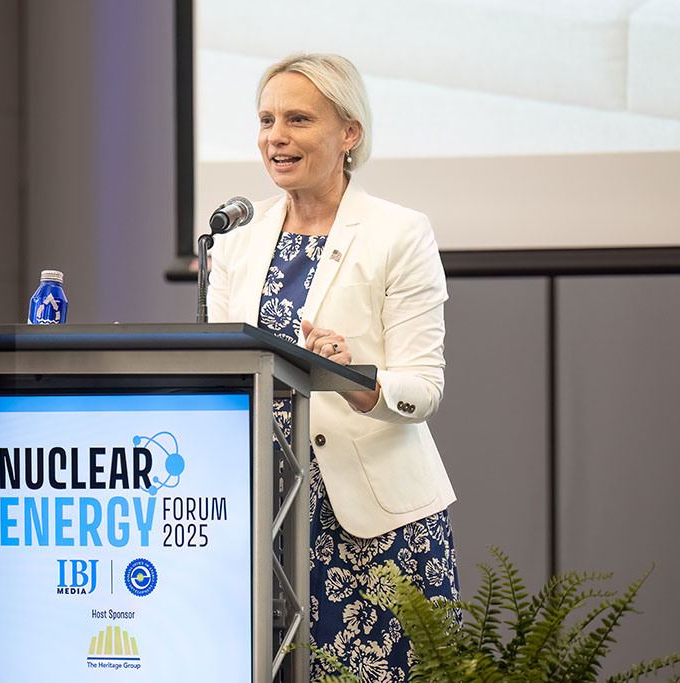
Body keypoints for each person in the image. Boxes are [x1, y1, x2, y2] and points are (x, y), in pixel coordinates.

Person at [207, 53, 459, 681]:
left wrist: (354, 377)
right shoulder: (235, 241)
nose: (276, 137)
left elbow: (425, 388)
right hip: (263, 518)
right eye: (266, 120)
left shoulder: (399, 233)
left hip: (375, 528)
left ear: (349, 133)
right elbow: (218, 370)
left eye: (298, 119)